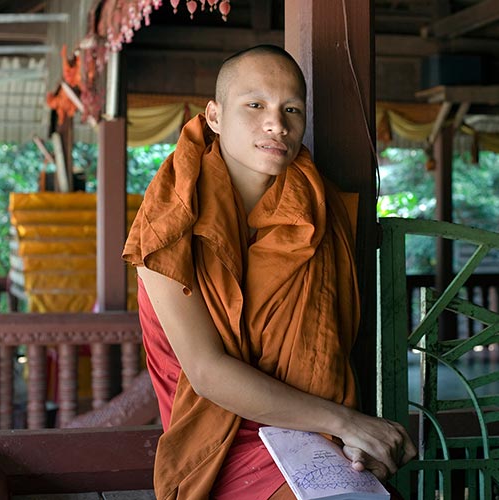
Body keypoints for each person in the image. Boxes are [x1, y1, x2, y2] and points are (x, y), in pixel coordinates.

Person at [122, 44, 416, 500]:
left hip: (314, 434)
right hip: (221, 444)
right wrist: (351, 423)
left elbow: (327, 354)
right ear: (214, 116)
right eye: (255, 105)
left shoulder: (319, 211)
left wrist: (354, 436)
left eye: (291, 109)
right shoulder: (169, 218)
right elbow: (207, 372)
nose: (277, 124)